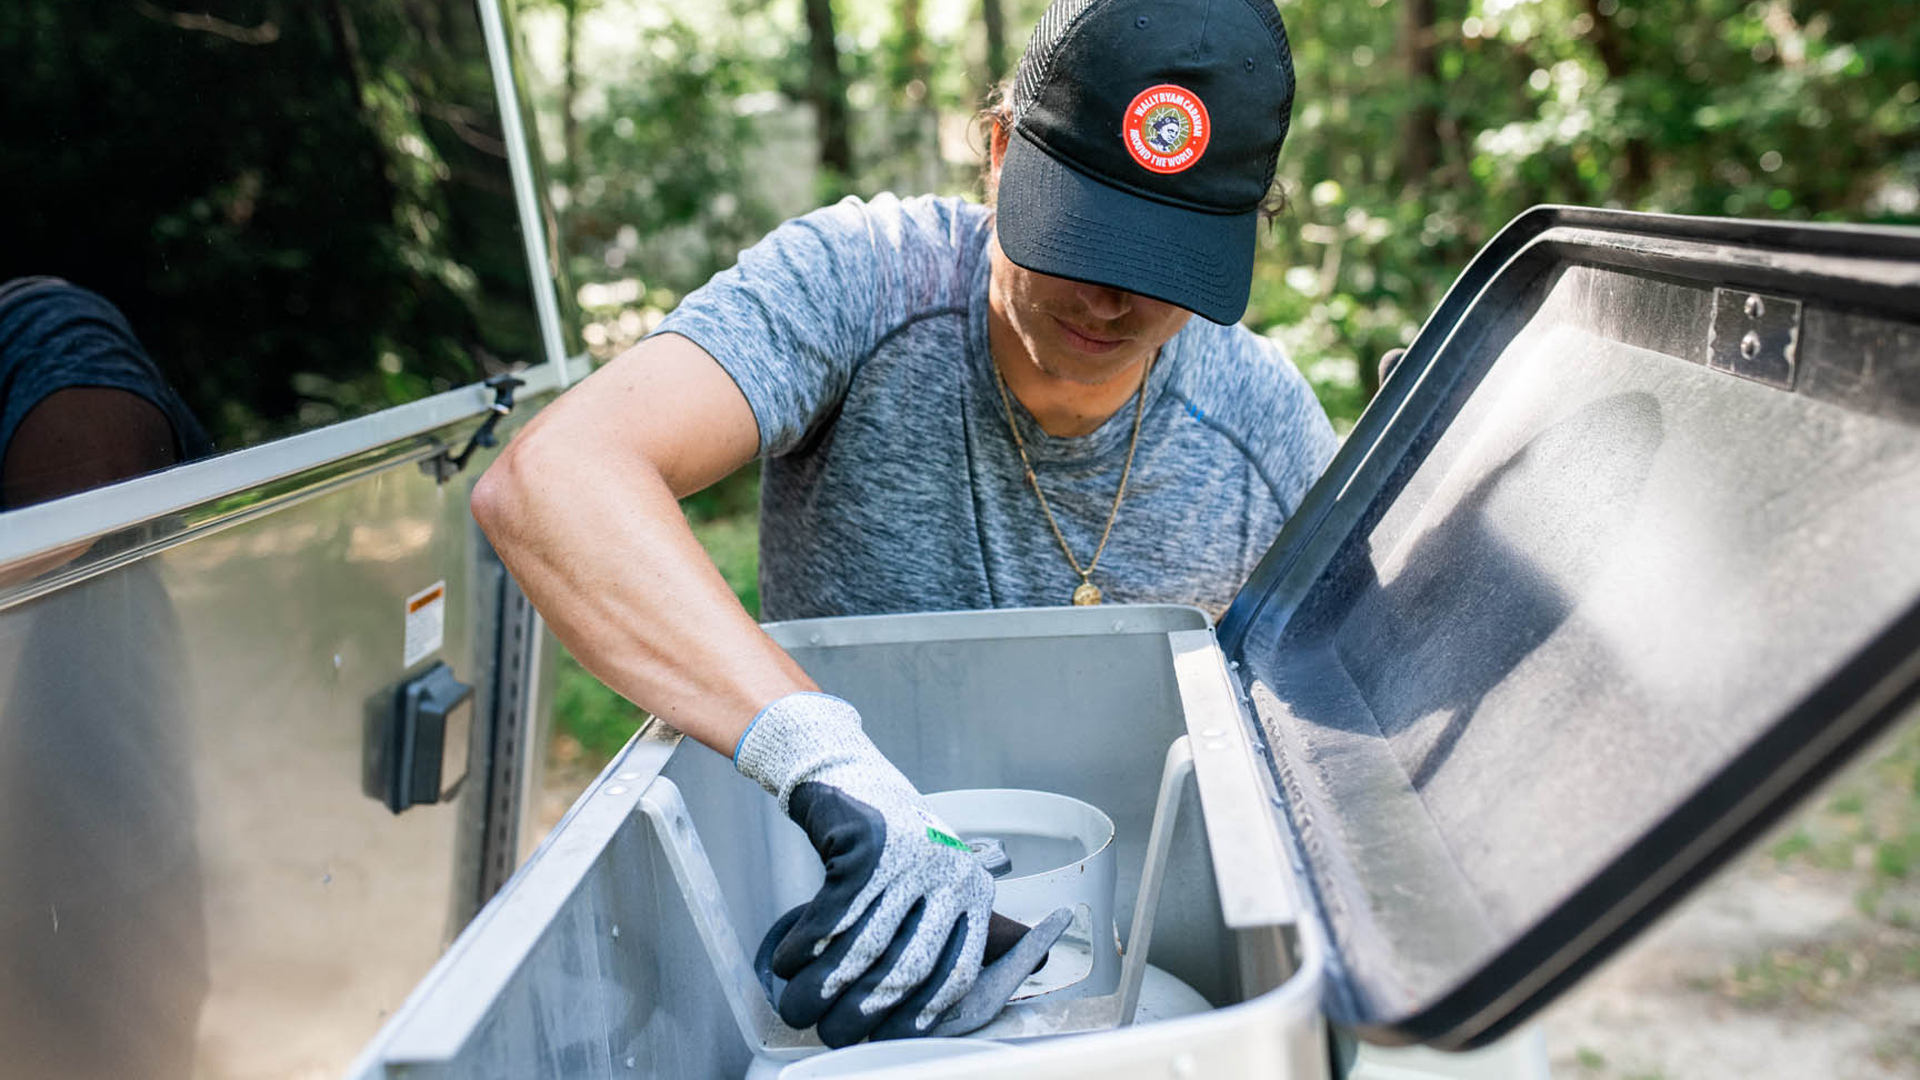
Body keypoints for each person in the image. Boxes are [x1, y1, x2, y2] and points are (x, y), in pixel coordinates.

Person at [471, 0, 1335, 1049]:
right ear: (1000, 152)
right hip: (851, 953)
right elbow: (553, 479)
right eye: (1087, 235)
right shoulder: (865, 281)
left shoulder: (1261, 425)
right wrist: (828, 763)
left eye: (1166, 258)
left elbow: (1348, 757)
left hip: (1135, 990)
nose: (1113, 300)